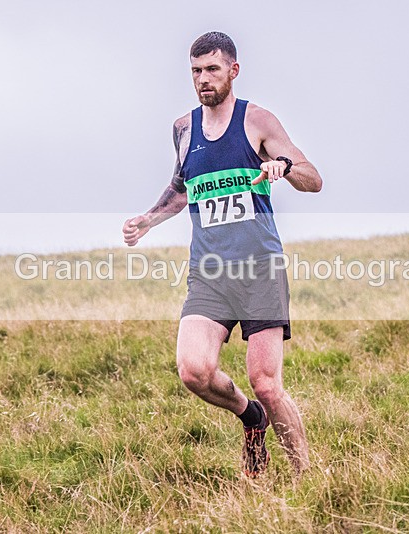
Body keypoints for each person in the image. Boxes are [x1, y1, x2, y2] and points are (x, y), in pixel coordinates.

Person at [122, 31, 322, 477]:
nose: (203, 79)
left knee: (267, 385)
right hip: (210, 273)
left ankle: (307, 479)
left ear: (233, 70)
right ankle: (250, 418)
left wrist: (283, 168)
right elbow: (182, 187)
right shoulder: (183, 128)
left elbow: (314, 177)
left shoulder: (257, 121)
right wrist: (148, 219)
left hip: (260, 270)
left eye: (212, 69)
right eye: (195, 71)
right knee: (193, 371)